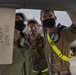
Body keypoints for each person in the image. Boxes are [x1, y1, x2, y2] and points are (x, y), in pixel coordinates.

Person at [40, 10, 76, 75]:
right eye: (44, 17)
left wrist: (66, 6)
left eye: (50, 15)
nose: (47, 18)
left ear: (55, 18)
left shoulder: (65, 33)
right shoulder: (45, 34)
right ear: (41, 20)